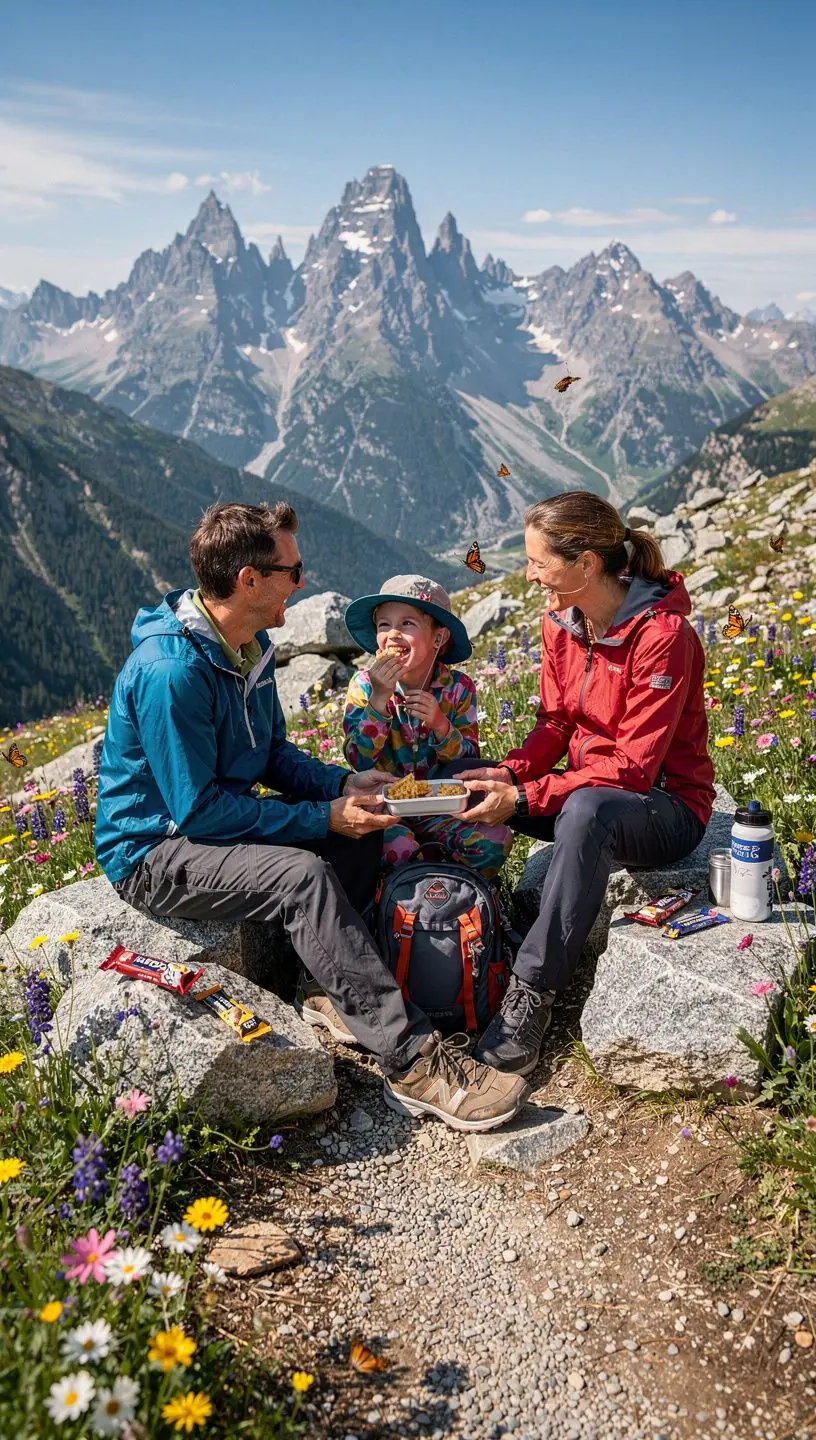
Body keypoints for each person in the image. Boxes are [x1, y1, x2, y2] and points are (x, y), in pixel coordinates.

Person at [94, 501, 529, 1132]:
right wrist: (322, 817)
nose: (303, 584)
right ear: (250, 580)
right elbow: (196, 810)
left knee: (365, 833)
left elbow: (270, 754)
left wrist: (346, 784)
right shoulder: (172, 671)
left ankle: (324, 990)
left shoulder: (250, 643)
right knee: (304, 874)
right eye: (292, 572)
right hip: (155, 848)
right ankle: (415, 1063)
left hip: (208, 820)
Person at [458, 490, 715, 1076]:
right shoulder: (561, 625)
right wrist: (507, 774)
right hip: (587, 788)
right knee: (469, 790)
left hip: (665, 806)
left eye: (539, 563)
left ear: (588, 564)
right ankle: (460, 937)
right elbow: (555, 723)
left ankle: (531, 995)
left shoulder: (664, 636)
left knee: (584, 814)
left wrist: (525, 798)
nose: (529, 576)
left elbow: (633, 766)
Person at [342, 575, 512, 880]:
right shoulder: (365, 685)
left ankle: (457, 898)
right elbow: (357, 759)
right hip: (386, 807)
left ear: (438, 638)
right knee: (399, 850)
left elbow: (470, 759)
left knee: (494, 842)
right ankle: (406, 904)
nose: (393, 634)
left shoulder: (458, 687)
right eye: (384, 625)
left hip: (443, 808)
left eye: (407, 623)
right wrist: (380, 700)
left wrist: (441, 726)